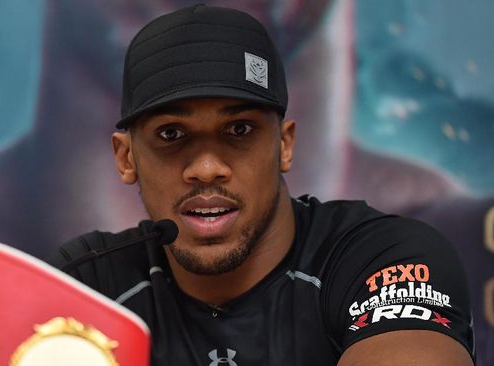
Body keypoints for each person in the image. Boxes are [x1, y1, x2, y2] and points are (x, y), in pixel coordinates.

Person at [46, 5, 475, 365]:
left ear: (285, 145)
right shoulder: (88, 279)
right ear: (126, 157)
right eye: (172, 134)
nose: (207, 168)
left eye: (239, 130)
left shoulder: (382, 256)